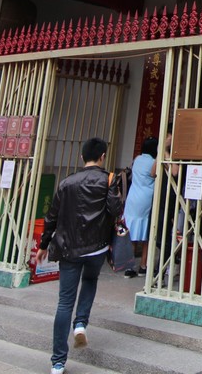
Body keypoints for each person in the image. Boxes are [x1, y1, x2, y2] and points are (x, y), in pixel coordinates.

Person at [37, 137, 124, 374]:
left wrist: (44, 244)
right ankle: (81, 323)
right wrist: (113, 188)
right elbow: (115, 210)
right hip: (96, 247)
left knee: (64, 302)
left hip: (69, 248)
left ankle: (57, 361)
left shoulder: (66, 183)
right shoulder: (108, 179)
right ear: (103, 156)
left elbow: (51, 217)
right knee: (90, 280)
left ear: (82, 157)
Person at [122, 137, 161, 278]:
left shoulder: (137, 159)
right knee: (146, 234)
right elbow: (154, 175)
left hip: (133, 197)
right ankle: (143, 266)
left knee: (131, 234)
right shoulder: (153, 162)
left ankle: (129, 267)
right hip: (145, 198)